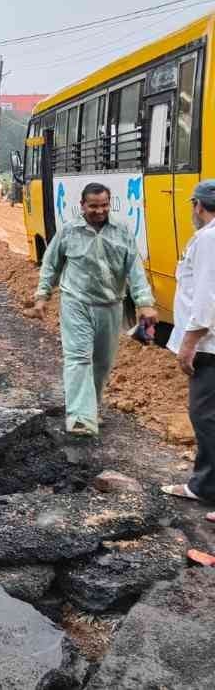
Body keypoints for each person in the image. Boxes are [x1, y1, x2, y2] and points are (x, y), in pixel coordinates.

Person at [34, 183, 156, 437]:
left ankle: (92, 408)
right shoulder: (69, 231)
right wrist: (42, 295)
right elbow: (51, 264)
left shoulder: (122, 231)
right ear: (83, 206)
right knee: (78, 358)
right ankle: (80, 417)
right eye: (93, 206)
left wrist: (144, 302)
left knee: (102, 362)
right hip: (76, 302)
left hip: (110, 305)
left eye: (104, 205)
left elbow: (134, 268)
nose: (99, 211)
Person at [162, 181, 215, 512]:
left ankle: (206, 486)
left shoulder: (209, 239)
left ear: (198, 205)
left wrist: (190, 341)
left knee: (205, 415)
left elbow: (207, 295)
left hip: (210, 345)